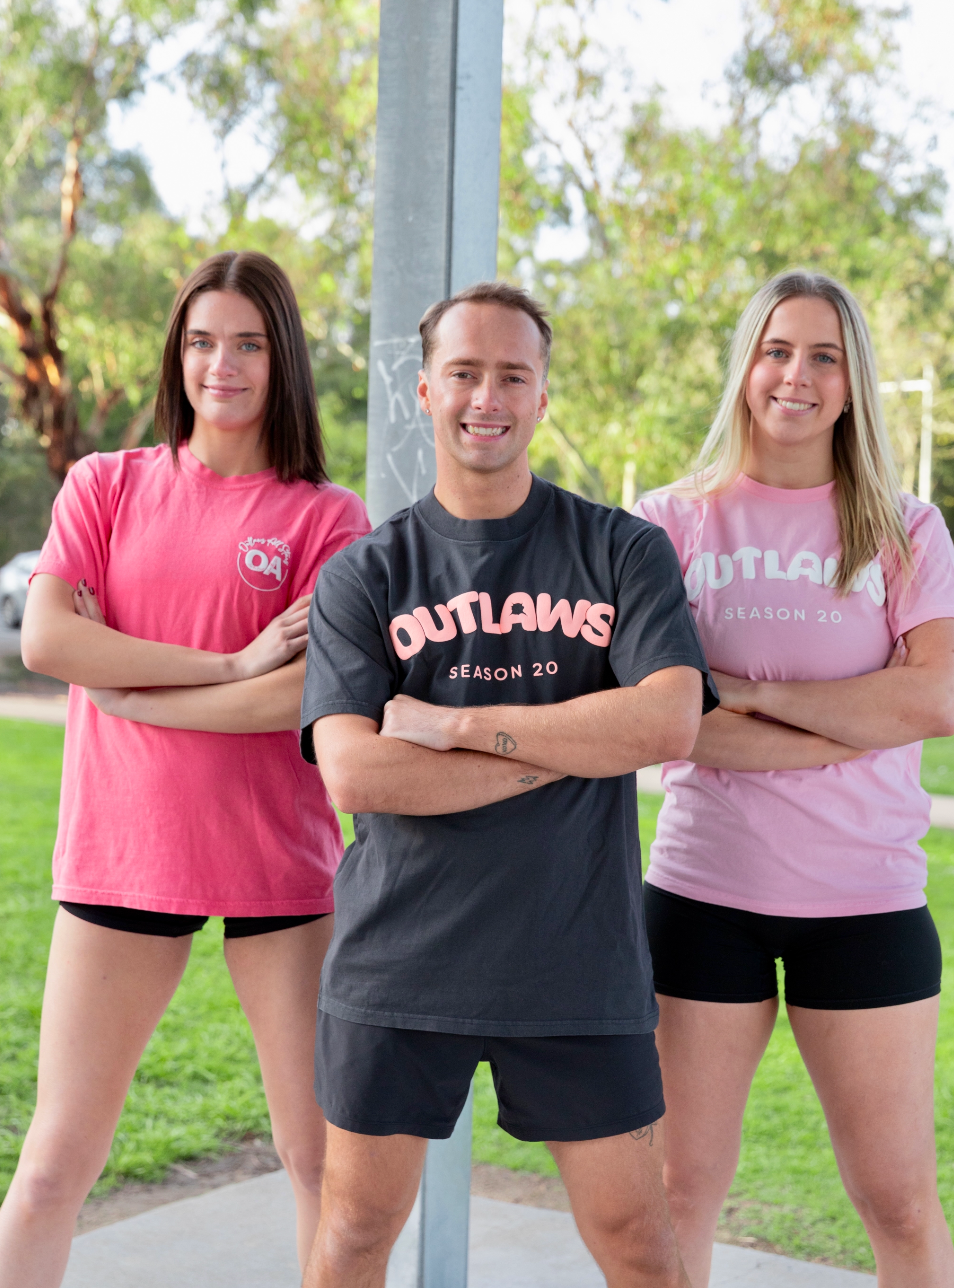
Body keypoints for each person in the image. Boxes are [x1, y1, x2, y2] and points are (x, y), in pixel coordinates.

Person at [299, 280, 718, 1288]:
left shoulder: (622, 549)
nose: (487, 398)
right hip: (401, 961)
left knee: (640, 1242)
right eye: (464, 373)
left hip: (577, 961)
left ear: (542, 395)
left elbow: (667, 722)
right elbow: (356, 771)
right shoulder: (365, 574)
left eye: (512, 376)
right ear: (424, 390)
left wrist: (451, 729)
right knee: (354, 1232)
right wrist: (578, 740)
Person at [0, 250, 369, 1287]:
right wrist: (231, 663)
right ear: (178, 354)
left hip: (278, 864)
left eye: (248, 343)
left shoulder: (327, 518)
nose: (223, 364)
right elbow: (49, 641)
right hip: (125, 852)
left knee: (321, 1160)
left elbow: (301, 698)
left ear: (282, 359)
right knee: (55, 1163)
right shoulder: (106, 484)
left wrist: (131, 690)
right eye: (203, 341)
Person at [633, 269, 954, 1287]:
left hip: (866, 899)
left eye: (824, 356)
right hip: (703, 896)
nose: (796, 376)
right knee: (678, 1190)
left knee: (898, 1199)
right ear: (745, 366)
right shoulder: (668, 523)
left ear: (854, 382)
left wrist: (745, 693)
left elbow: (935, 700)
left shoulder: (904, 528)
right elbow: (660, 719)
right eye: (777, 350)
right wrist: (850, 718)